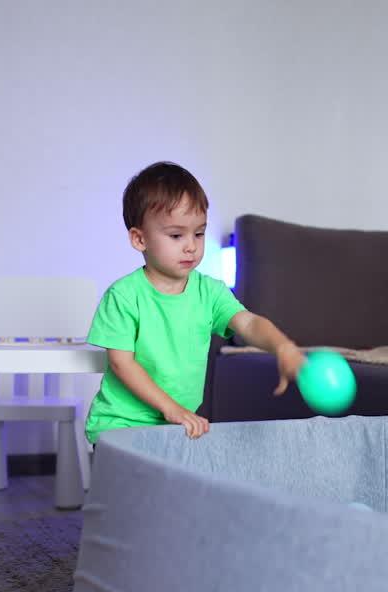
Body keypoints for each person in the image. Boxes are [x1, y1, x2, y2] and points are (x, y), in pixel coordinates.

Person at [84, 161, 306, 444]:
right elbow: (121, 364)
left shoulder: (209, 292)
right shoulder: (124, 296)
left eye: (198, 233)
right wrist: (171, 408)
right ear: (140, 239)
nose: (191, 245)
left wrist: (281, 345)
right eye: (176, 235)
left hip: (175, 426)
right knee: (135, 489)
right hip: (120, 425)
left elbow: (248, 322)